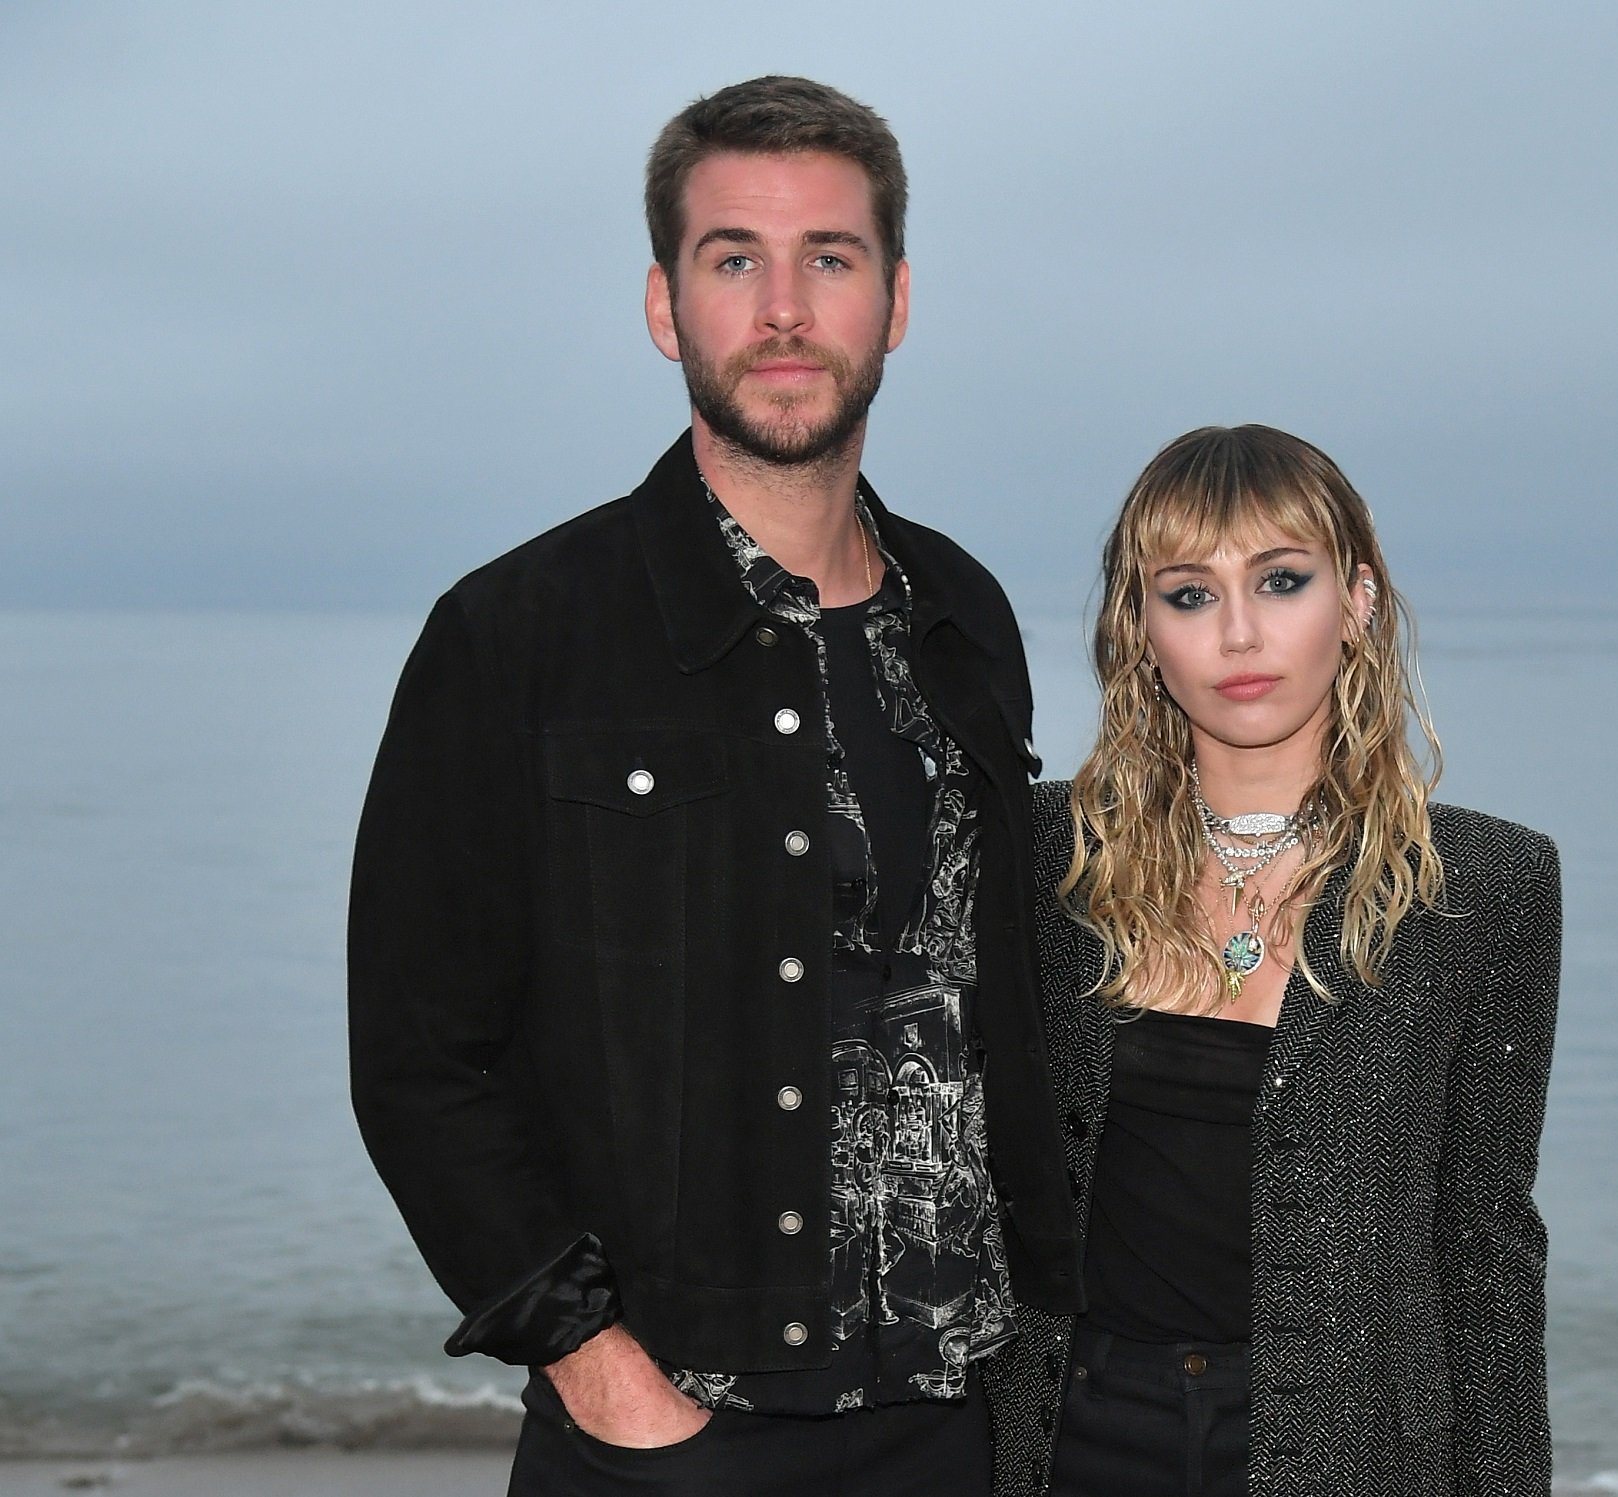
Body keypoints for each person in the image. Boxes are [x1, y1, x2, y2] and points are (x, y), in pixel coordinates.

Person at [347, 76, 1081, 1496]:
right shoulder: (517, 633)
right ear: (662, 304)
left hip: (956, 1423)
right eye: (733, 258)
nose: (786, 309)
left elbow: (999, 999)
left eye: (832, 258)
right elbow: (420, 1057)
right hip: (667, 1438)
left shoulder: (965, 615)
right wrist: (602, 1378)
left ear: (899, 299)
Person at [985, 425, 1562, 1497]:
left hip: (1356, 1453)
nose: (1237, 634)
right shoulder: (1036, 858)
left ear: (1357, 601)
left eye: (1280, 581)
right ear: (1139, 628)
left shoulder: (1483, 885)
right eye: (1189, 594)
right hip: (1065, 1441)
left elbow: (1482, 1243)